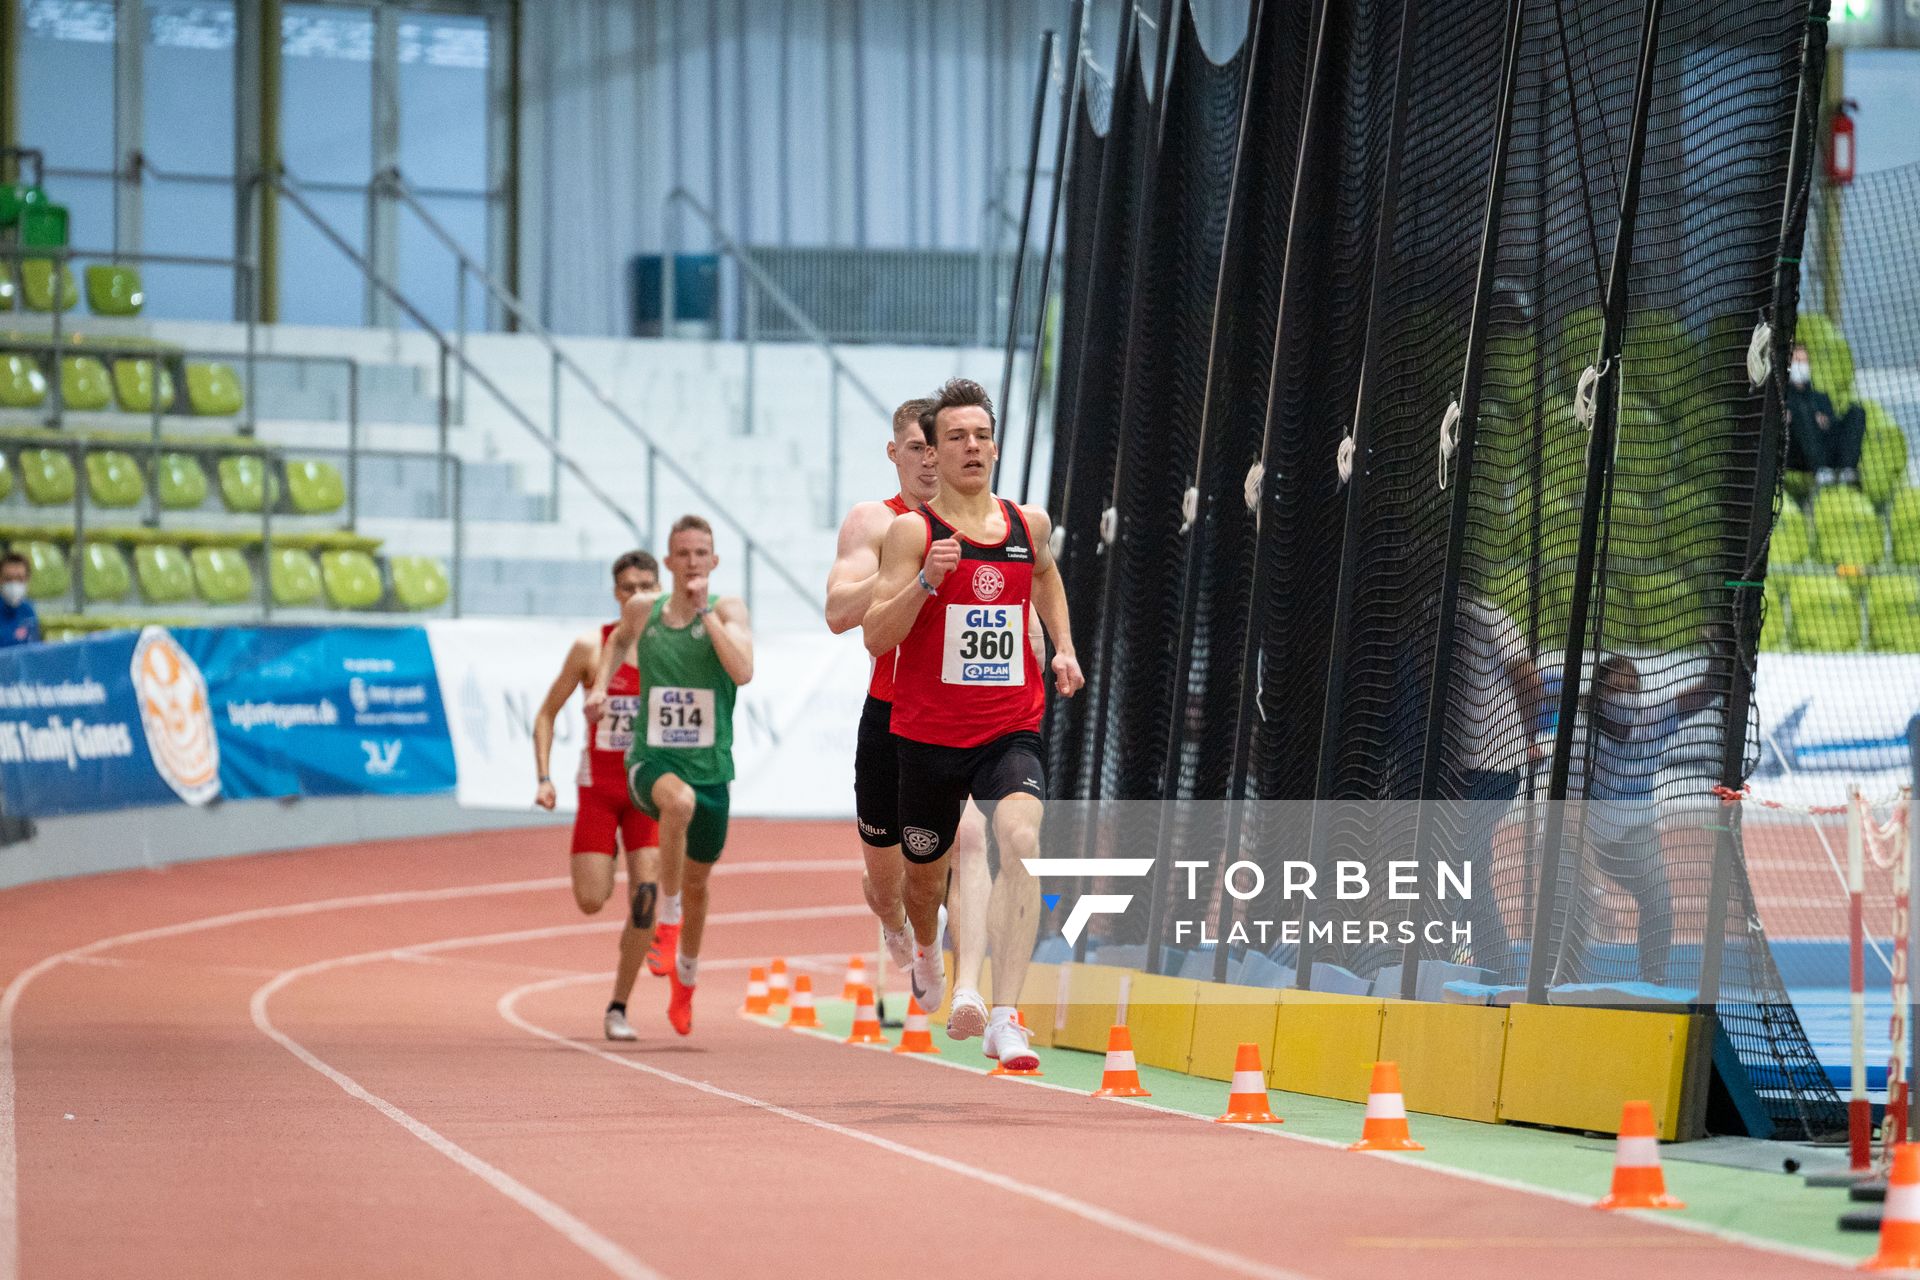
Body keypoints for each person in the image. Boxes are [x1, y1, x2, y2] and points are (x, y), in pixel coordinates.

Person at [862, 378, 1083, 1071]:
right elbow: (875, 635)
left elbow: (1044, 575)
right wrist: (926, 581)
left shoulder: (1027, 525)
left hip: (1008, 727)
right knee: (924, 886)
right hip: (927, 737)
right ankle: (926, 947)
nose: (971, 447)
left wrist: (1064, 646)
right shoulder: (912, 532)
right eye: (955, 437)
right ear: (937, 448)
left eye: (981, 435)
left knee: (1020, 836)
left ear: (995, 445)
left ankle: (1007, 1015)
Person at [823, 397, 991, 1035]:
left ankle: (956, 972)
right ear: (895, 454)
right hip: (893, 715)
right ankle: (899, 927)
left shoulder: (984, 519)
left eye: (938, 446)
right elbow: (839, 612)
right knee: (883, 880)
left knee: (969, 840)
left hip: (966, 717)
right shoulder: (875, 520)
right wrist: (907, 565)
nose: (929, 460)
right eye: (916, 448)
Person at [587, 515, 753, 1036]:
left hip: (712, 770)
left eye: (700, 554)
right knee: (675, 803)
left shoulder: (727, 610)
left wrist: (707, 617)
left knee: (702, 887)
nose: (691, 563)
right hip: (651, 763)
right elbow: (616, 641)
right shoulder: (645, 610)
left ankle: (685, 982)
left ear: (714, 561)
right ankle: (667, 919)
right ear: (668, 562)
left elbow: (743, 671)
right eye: (681, 554)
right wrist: (599, 687)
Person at [532, 550, 678, 1042]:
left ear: (660, 588)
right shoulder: (590, 648)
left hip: (645, 795)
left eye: (647, 586)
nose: (639, 595)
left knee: (644, 900)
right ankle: (607, 852)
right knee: (592, 900)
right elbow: (546, 714)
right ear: (616, 594)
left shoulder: (670, 648)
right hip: (599, 792)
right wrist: (544, 777)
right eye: (629, 588)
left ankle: (618, 1005)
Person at [1560, 653, 1719, 985]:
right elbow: (1572, 820)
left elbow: (1704, 694)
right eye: (1617, 689)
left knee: (1658, 897)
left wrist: (1721, 658)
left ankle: (1653, 980)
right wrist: (1595, 891)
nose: (1625, 696)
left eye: (1632, 688)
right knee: (1574, 905)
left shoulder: (1652, 719)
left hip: (1634, 834)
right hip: (1585, 835)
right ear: (1600, 696)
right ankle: (1561, 980)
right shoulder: (1580, 737)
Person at [1786, 341, 1866, 487]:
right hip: (1799, 455)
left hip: (1825, 448)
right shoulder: (1783, 398)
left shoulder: (1820, 398)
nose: (1801, 365)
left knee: (1857, 412)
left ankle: (1846, 470)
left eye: (1804, 361)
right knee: (1801, 413)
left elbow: (1832, 426)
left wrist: (1826, 422)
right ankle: (1820, 470)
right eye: (1797, 361)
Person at [0, 553, 40, 648]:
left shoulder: (29, 611)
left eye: (19, 579)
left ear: (27, 580)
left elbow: (34, 650)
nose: (14, 584)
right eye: (8, 579)